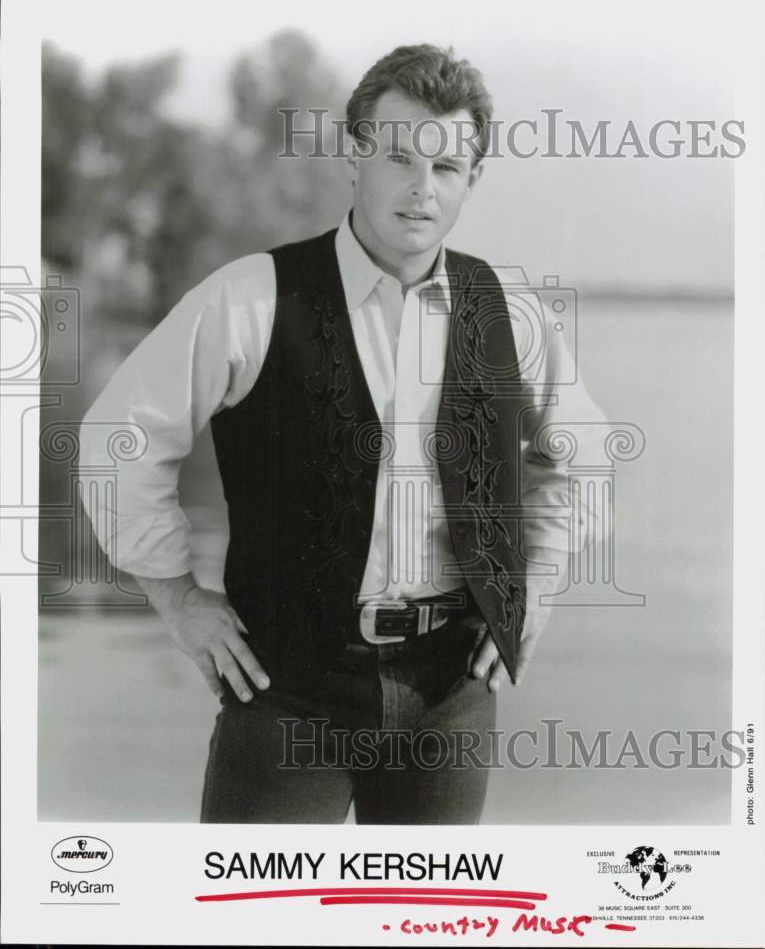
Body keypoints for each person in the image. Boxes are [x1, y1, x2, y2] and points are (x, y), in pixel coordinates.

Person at [79, 43, 607, 824]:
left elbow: (579, 454)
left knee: (430, 936)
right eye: (399, 157)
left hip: (451, 694)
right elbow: (116, 438)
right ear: (353, 156)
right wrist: (178, 597)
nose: (420, 190)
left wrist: (537, 588)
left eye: (446, 168)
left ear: (471, 181)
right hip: (286, 690)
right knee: (248, 925)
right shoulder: (252, 298)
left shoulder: (511, 314)